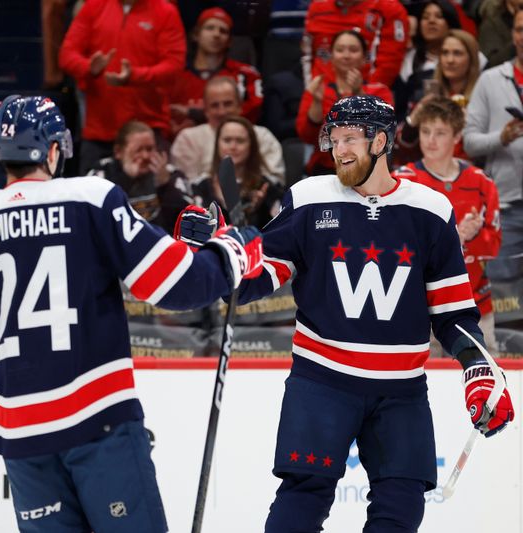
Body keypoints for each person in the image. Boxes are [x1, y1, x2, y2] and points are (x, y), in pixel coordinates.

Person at [0, 94, 264, 533]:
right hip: (96, 421)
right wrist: (231, 253)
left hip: (20, 435)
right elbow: (175, 285)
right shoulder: (90, 198)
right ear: (53, 150)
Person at [176, 95, 515, 532]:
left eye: (350, 138)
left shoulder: (430, 211)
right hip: (321, 382)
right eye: (334, 140)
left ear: (381, 142)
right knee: (302, 500)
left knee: (402, 507)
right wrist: (216, 248)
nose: (340, 150)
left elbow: (452, 312)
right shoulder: (309, 198)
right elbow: (252, 282)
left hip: (401, 391)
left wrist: (479, 369)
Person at [393, 96, 501, 355]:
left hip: (473, 306)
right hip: (417, 308)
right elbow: (393, 244)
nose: (430, 140)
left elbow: (494, 245)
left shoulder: (481, 182)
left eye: (440, 133)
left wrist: (472, 237)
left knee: (483, 381)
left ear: (457, 137)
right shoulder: (403, 181)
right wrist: (455, 237)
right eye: (425, 131)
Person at [58, 0, 186, 174]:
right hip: (99, 133)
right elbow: (67, 55)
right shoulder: (93, 6)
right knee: (91, 198)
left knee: (151, 200)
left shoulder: (165, 11)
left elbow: (174, 65)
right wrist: (89, 67)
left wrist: (135, 76)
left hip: (147, 132)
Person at [463, 8, 523, 281]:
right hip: (507, 205)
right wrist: (502, 137)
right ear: (512, 34)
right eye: (520, 29)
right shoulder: (490, 79)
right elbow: (469, 141)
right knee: (505, 298)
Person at [297, 29, 394, 176]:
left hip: (367, 170)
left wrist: (358, 95)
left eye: (353, 50)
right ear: (331, 56)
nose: (346, 55)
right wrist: (317, 102)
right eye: (340, 50)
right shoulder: (318, 88)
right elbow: (306, 136)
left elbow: (384, 132)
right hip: (325, 170)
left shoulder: (379, 91)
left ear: (364, 57)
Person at [171, 75, 284, 184]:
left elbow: (275, 180)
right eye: (215, 105)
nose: (222, 112)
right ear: (205, 110)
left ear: (240, 106)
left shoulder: (262, 136)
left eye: (228, 104)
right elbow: (185, 187)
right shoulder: (188, 139)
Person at [168, 7, 263, 133]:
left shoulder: (246, 74)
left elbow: (251, 114)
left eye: (223, 31)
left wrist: (195, 114)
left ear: (229, 41)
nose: (216, 34)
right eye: (210, 28)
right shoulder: (174, 74)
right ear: (196, 35)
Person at [395, 29, 482, 165]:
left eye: (457, 53)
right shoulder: (425, 91)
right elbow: (402, 150)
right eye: (445, 53)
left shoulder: (483, 94)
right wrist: (414, 118)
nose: (450, 60)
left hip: (472, 173)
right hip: (429, 174)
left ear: (472, 59)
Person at [89, 120, 192, 233]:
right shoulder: (102, 174)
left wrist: (165, 185)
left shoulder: (172, 175)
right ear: (118, 151)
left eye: (149, 149)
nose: (145, 156)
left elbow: (187, 221)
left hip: (161, 243)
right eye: (138, 150)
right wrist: (126, 180)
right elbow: (93, 219)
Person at [194, 115, 284, 229]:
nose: (233, 146)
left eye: (240, 141)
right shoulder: (201, 186)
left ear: (251, 146)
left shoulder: (268, 187)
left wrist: (260, 209)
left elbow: (280, 230)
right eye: (227, 140)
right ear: (217, 144)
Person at [302, 0, 409, 88]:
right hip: (320, 93)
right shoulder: (317, 7)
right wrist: (311, 90)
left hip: (367, 95)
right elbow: (307, 56)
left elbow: (390, 64)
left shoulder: (390, 9)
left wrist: (365, 99)